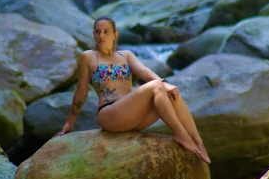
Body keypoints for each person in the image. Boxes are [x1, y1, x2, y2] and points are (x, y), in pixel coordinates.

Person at [55, 16, 211, 163]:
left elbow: (144, 72)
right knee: (157, 86)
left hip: (133, 117)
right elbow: (81, 91)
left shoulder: (126, 55)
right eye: (98, 31)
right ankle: (180, 133)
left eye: (106, 31)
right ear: (94, 34)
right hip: (110, 114)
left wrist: (166, 85)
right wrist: (69, 123)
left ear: (115, 35)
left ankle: (199, 143)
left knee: (171, 94)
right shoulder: (88, 57)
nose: (101, 35)